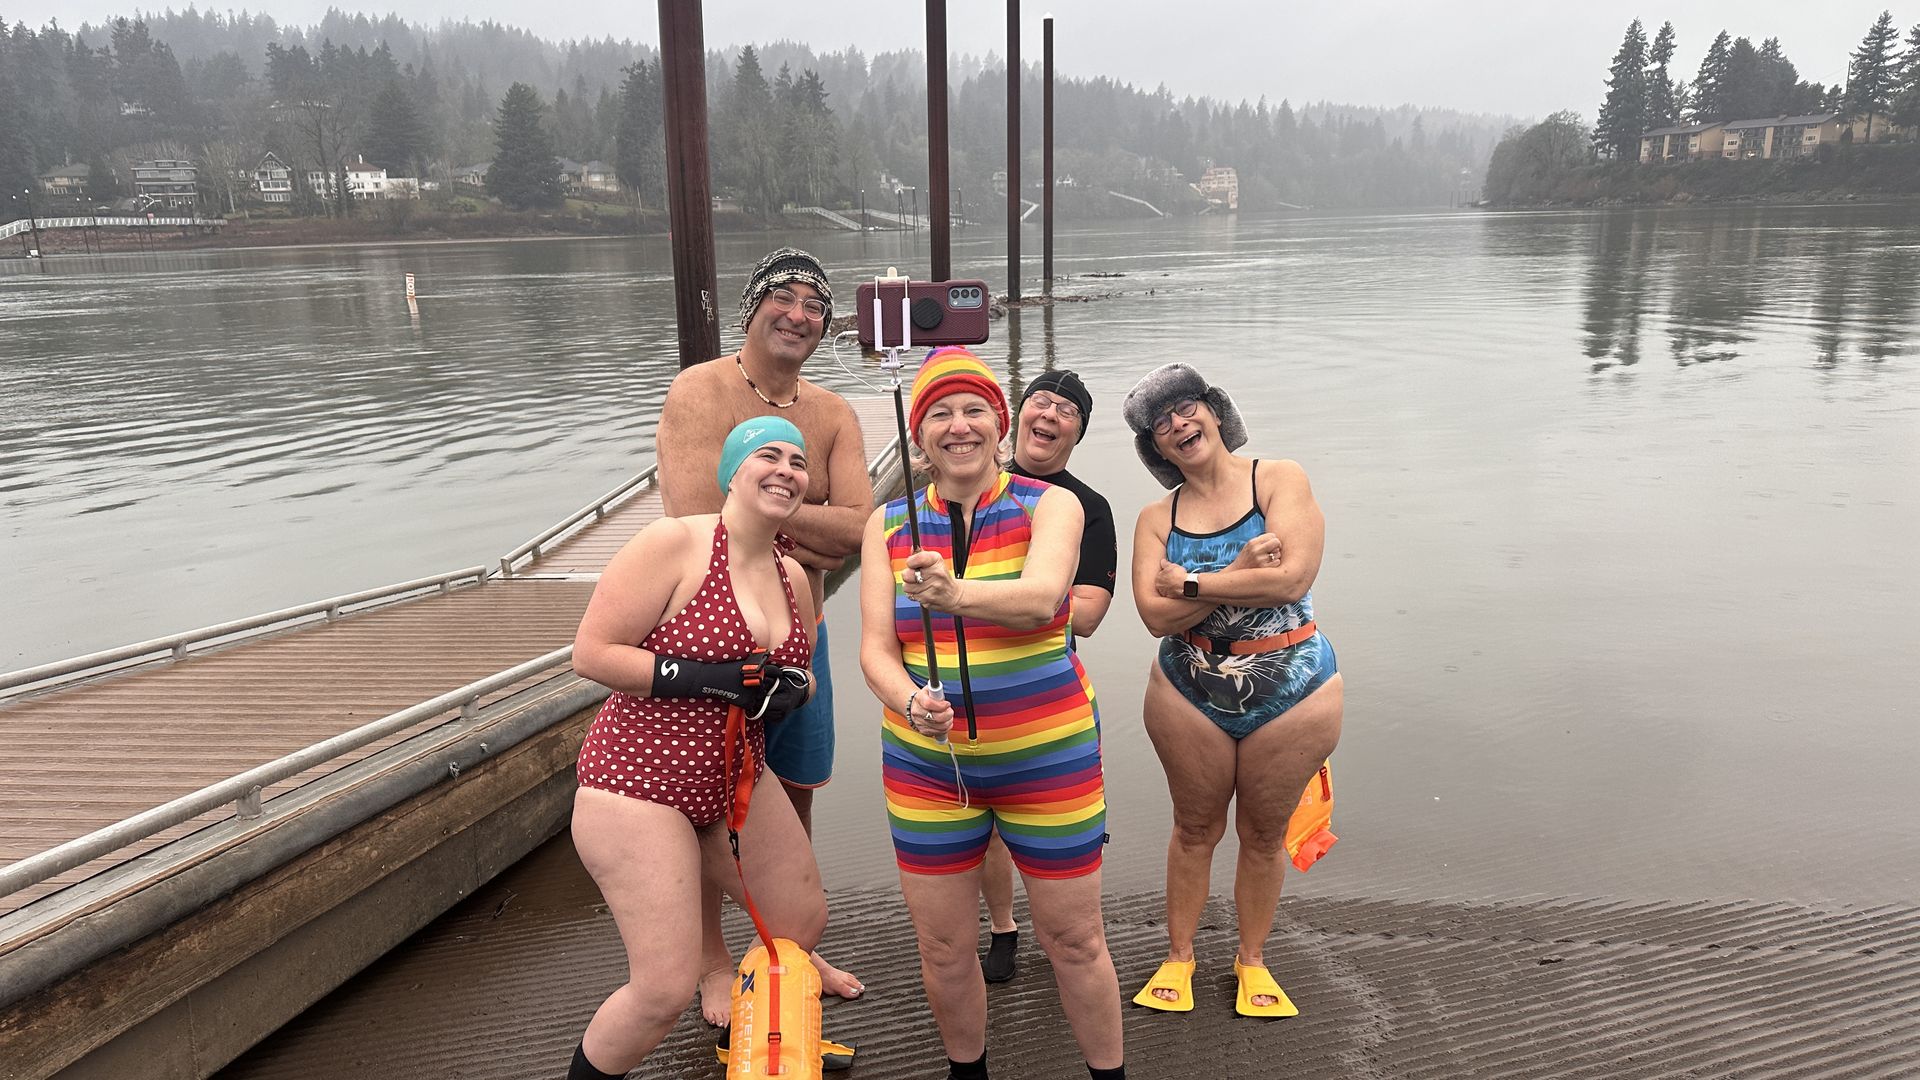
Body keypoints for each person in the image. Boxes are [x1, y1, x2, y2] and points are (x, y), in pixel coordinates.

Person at [860, 347, 1126, 1080]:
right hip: (928, 768)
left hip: (1050, 760)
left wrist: (954, 595)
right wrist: (909, 700)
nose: (959, 426)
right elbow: (876, 651)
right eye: (939, 413)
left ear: (999, 425)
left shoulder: (1055, 504)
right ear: (919, 436)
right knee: (944, 948)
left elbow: (1045, 599)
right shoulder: (886, 524)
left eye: (975, 409)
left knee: (1074, 940)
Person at [566, 419, 825, 1079]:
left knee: (799, 923)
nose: (786, 469)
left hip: (733, 776)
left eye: (798, 461)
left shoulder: (792, 575)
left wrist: (791, 689)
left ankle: (755, 1043)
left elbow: (801, 667)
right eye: (768, 455)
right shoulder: (675, 544)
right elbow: (592, 654)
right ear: (732, 472)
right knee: (662, 988)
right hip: (636, 786)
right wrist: (706, 678)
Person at [655, 248, 870, 1018]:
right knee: (705, 806)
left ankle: (789, 950)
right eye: (783, 296)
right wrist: (803, 526)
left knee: (796, 796)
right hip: (709, 646)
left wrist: (763, 516)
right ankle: (713, 964)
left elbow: (857, 532)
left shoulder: (834, 412)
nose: (800, 313)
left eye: (816, 303)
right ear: (751, 308)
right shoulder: (701, 391)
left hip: (800, 645)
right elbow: (697, 522)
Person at [1121, 362, 1343, 1019]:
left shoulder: (1278, 479)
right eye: (1162, 425)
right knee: (1194, 830)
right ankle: (1180, 956)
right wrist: (1237, 572)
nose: (1179, 425)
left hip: (1293, 685)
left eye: (1188, 408)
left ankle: (1252, 961)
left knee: (1264, 835)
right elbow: (1153, 618)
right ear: (1155, 448)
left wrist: (1193, 584)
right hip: (1189, 690)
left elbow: (1291, 579)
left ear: (1215, 413)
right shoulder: (1156, 516)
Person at [979, 368, 1117, 985]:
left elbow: (1086, 614)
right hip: (968, 678)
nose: (1050, 415)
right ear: (1017, 413)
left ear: (1078, 432)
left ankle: (1060, 929)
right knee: (979, 826)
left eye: (1066, 410)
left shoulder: (1090, 508)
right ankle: (1002, 925)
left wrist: (1012, 599)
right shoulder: (974, 482)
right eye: (1040, 401)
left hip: (1047, 688)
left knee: (1051, 823)